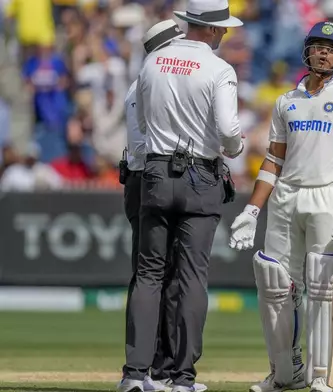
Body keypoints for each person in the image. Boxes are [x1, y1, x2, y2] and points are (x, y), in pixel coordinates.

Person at [228, 21, 333, 392]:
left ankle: (321, 373)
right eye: (317, 46)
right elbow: (273, 162)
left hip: (328, 195)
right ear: (307, 51)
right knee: (275, 285)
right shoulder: (286, 102)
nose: (323, 53)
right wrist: (251, 211)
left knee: (324, 288)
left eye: (331, 48)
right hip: (285, 198)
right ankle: (284, 373)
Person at [119, 0, 244, 391]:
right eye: (221, 28)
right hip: (200, 174)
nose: (223, 33)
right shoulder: (218, 68)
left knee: (149, 274)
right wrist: (235, 149)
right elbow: (228, 132)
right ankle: (181, 377)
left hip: (155, 170)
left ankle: (136, 374)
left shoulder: (153, 62)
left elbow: (140, 122)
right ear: (207, 29)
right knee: (191, 277)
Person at [119, 19, 207, 392]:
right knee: (165, 277)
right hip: (157, 177)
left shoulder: (143, 81)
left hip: (143, 178)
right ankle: (164, 368)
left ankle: (150, 368)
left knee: (151, 276)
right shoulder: (151, 83)